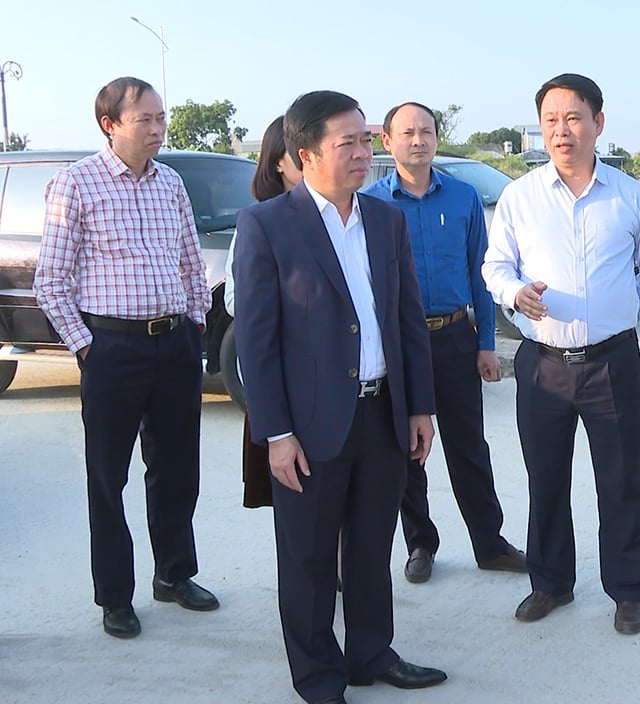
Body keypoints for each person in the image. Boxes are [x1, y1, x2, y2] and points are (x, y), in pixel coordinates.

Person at [233, 90, 446, 704]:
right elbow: (256, 341)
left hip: (383, 413)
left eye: (364, 140)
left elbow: (407, 319)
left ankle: (371, 652)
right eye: (346, 143)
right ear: (306, 154)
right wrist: (274, 433)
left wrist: (419, 406)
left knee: (372, 544)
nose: (362, 154)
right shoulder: (269, 225)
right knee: (307, 558)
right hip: (308, 426)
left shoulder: (386, 219)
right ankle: (320, 676)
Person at [482, 73, 640, 636]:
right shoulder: (520, 197)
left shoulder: (629, 195)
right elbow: (496, 267)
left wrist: (610, 316)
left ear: (598, 123)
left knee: (621, 479)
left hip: (611, 362)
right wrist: (514, 297)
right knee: (545, 478)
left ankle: (630, 590)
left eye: (573, 118)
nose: (562, 131)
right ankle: (550, 583)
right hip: (541, 365)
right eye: (550, 121)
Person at [34, 76, 219, 640]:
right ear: (110, 125)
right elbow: (51, 281)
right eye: (146, 119)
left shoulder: (171, 183)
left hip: (174, 345)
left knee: (177, 466)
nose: (158, 129)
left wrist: (194, 321)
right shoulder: (76, 185)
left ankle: (174, 575)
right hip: (111, 347)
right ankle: (116, 595)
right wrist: (87, 346)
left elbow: (191, 260)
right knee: (107, 476)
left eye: (161, 118)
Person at [362, 102, 526, 584]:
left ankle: (489, 542)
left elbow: (483, 273)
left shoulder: (463, 197)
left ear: (437, 138)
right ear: (387, 142)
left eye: (427, 131)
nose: (418, 140)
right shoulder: (371, 204)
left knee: (469, 445)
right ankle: (420, 544)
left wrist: (486, 342)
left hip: (455, 336)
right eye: (407, 132)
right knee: (408, 449)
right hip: (397, 342)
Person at [224, 115, 303, 509]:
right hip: (286, 379)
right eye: (300, 152)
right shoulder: (258, 222)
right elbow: (236, 301)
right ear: (278, 162)